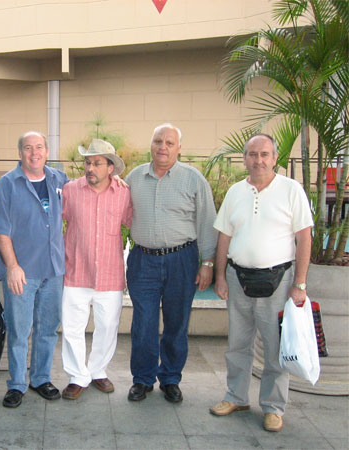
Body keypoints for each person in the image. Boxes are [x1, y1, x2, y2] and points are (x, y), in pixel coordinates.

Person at [209, 134, 313, 432]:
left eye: (264, 154)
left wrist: (300, 284)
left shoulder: (291, 190)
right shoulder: (235, 192)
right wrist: (219, 276)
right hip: (237, 277)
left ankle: (273, 407)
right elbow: (224, 236)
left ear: (275, 158)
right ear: (245, 158)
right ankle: (236, 397)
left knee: (274, 347)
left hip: (278, 280)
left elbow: (304, 237)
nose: (258, 160)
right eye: (253, 154)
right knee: (237, 344)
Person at [125, 123, 217, 404]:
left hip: (182, 260)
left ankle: (170, 378)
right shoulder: (134, 178)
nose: (162, 147)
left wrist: (208, 262)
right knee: (144, 323)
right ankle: (142, 379)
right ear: (151, 145)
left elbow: (207, 222)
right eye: (158, 141)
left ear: (179, 148)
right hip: (143, 260)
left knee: (177, 321)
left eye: (169, 142)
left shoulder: (193, 179)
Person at [0, 131, 68, 408]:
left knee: (48, 329)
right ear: (20, 152)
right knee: (20, 331)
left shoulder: (59, 179)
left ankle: (41, 379)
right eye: (28, 148)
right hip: (22, 272)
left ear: (47, 151)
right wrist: (12, 267)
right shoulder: (8, 185)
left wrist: (112, 179)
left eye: (39, 147)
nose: (35, 153)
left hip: (53, 270)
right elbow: (0, 230)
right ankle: (17, 384)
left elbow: (85, 195)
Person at [60, 139, 132, 400]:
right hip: (76, 270)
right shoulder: (70, 190)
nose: (90, 168)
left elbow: (133, 222)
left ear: (110, 168)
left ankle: (98, 371)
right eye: (88, 162)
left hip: (110, 274)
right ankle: (77, 376)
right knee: (72, 328)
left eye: (97, 163)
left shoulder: (124, 193)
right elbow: (53, 222)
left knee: (108, 326)